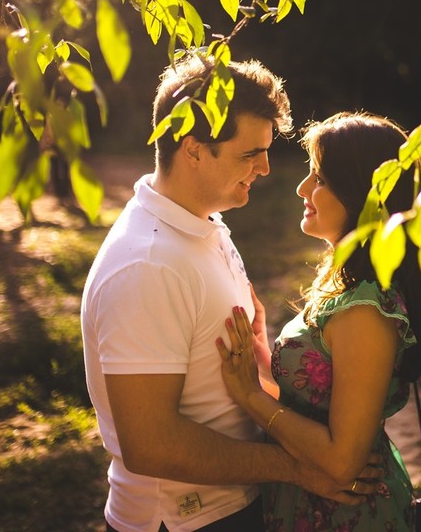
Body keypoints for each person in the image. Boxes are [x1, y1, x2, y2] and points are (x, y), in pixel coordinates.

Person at [81, 57, 379, 532]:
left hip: (231, 507)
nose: (264, 168)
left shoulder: (206, 225)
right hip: (183, 521)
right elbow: (150, 446)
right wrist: (299, 470)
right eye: (249, 154)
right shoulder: (147, 266)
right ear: (193, 149)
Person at [216, 112, 421, 532]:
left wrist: (251, 397)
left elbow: (343, 462)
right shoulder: (343, 284)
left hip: (347, 513)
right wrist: (262, 353)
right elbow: (320, 402)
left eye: (321, 179)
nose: (302, 188)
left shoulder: (364, 308)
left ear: (363, 195)